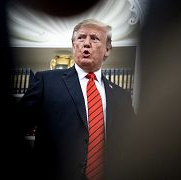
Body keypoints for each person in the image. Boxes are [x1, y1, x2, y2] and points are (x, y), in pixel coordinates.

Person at [18, 19, 136, 180]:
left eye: (94, 38)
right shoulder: (46, 82)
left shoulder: (121, 96)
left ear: (107, 49)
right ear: (74, 45)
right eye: (81, 38)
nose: (86, 43)